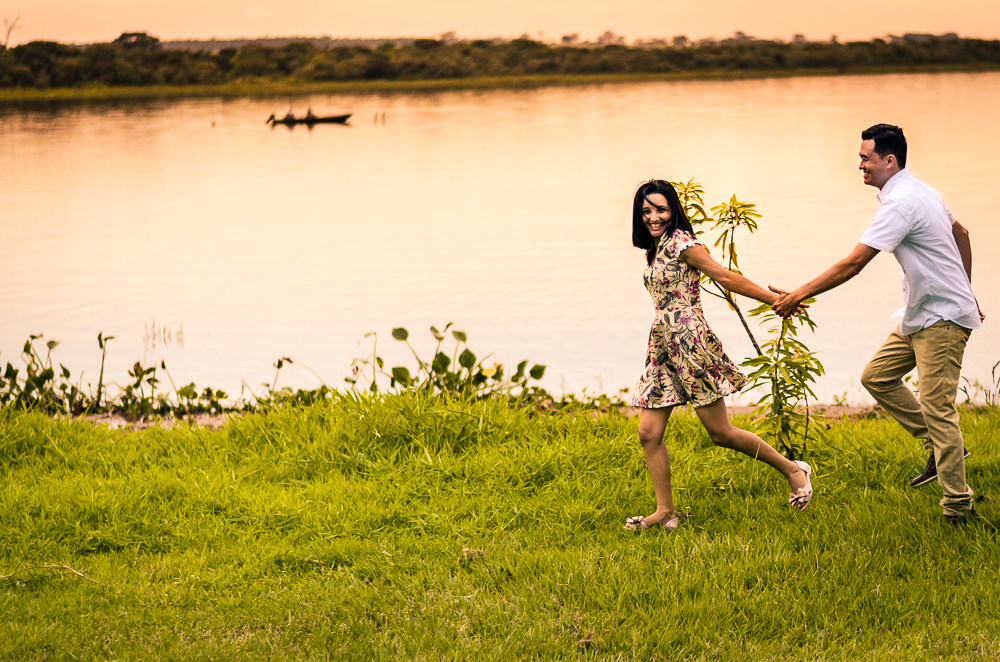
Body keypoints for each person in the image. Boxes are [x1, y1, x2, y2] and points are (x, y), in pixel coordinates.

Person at [771, 123, 984, 524]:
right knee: (878, 376)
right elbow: (963, 233)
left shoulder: (901, 204)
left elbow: (853, 263)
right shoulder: (922, 191)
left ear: (890, 160)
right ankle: (939, 449)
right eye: (860, 158)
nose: (860, 165)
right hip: (921, 310)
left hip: (942, 317)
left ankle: (958, 507)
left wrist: (798, 293)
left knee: (940, 410)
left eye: (866, 158)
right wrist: (966, 288)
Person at [624, 179, 813, 532]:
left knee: (720, 433)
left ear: (673, 210)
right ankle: (665, 512)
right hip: (663, 347)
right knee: (649, 433)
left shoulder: (682, 243)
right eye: (646, 210)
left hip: (690, 344)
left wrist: (775, 300)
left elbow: (726, 277)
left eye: (660, 209)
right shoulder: (655, 247)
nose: (653, 217)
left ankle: (793, 469)